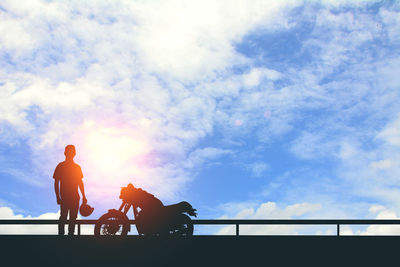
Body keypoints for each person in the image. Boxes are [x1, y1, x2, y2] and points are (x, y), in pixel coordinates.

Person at [53, 145, 87, 236]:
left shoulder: (77, 167)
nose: (70, 154)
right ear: (65, 153)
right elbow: (56, 183)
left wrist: (84, 196)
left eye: (72, 152)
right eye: (69, 152)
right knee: (64, 217)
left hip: (74, 197)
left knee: (72, 218)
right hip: (65, 197)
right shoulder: (60, 166)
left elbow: (80, 182)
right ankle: (61, 235)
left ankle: (70, 236)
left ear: (74, 154)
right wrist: (58, 197)